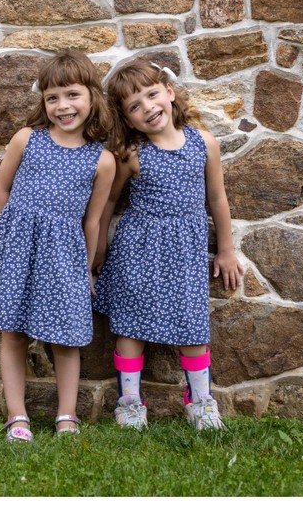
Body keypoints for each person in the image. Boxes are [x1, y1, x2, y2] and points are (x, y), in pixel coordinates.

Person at [92, 59, 243, 431]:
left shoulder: (204, 143)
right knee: (131, 327)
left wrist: (226, 250)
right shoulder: (131, 155)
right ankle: (130, 403)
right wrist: (97, 252)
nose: (148, 108)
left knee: (192, 325)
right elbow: (109, 203)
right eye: (135, 106)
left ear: (170, 93)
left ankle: (201, 401)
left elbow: (218, 199)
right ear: (127, 119)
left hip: (186, 251)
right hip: (138, 250)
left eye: (152, 95)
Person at [0, 50, 116, 442]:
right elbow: (2, 189)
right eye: (52, 98)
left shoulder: (102, 161)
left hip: (64, 257)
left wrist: (86, 269)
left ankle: (66, 416)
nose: (62, 106)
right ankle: (16, 415)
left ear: (92, 97)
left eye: (72, 95)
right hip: (17, 251)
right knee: (13, 334)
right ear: (44, 102)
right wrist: (13, 234)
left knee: (65, 337)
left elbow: (92, 220)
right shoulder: (27, 140)